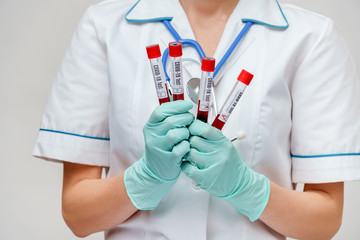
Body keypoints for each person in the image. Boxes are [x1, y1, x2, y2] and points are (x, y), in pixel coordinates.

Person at [33, 0, 360, 239]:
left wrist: (245, 188)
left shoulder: (311, 37)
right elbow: (78, 216)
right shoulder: (104, 27)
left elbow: (325, 221)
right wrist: (143, 179)